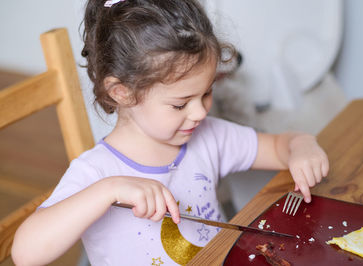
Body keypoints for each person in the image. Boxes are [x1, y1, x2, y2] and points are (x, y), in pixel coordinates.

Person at [11, 0, 329, 265]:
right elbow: (26, 253)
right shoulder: (98, 172)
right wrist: (107, 191)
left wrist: (302, 145)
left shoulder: (208, 136)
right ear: (122, 93)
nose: (200, 112)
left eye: (206, 93)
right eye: (180, 104)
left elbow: (278, 146)